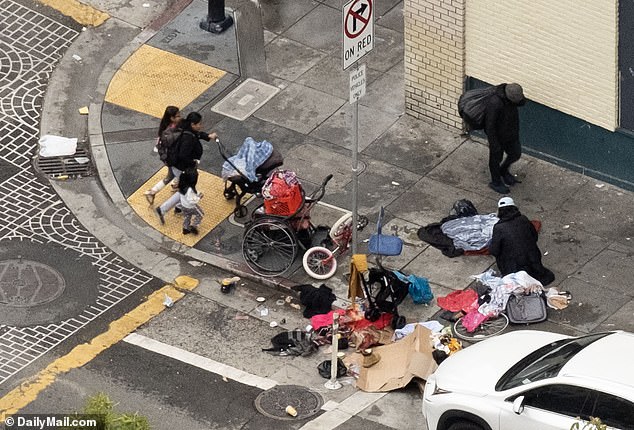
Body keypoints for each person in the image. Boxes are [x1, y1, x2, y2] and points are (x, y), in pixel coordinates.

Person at [155, 112, 216, 224]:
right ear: (192, 124)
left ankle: (177, 207)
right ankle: (163, 209)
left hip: (180, 166)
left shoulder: (186, 129)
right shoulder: (187, 138)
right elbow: (183, 155)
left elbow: (197, 134)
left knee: (185, 189)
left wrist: (207, 136)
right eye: (199, 124)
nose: (200, 126)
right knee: (186, 190)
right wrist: (193, 162)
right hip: (181, 168)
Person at [489, 197, 554, 286]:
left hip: (514, 266)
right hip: (533, 258)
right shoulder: (523, 219)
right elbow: (534, 236)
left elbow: (494, 250)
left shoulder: (499, 228)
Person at [483, 83, 526, 194]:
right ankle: (496, 182)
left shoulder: (512, 100)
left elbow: (522, 103)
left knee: (516, 153)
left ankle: (503, 170)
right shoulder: (495, 103)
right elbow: (490, 126)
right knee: (496, 158)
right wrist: (493, 143)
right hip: (498, 137)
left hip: (511, 134)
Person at [144, 106, 181, 205]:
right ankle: (151, 192)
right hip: (171, 158)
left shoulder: (166, 127)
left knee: (171, 175)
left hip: (168, 157)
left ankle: (154, 191)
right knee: (173, 175)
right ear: (172, 118)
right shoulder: (171, 131)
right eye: (178, 116)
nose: (180, 117)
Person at [177, 168, 204, 235]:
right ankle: (194, 226)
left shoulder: (182, 185)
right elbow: (192, 200)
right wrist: (199, 197)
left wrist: (197, 193)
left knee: (187, 216)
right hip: (190, 207)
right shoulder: (190, 189)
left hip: (183, 205)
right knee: (200, 214)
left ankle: (185, 228)